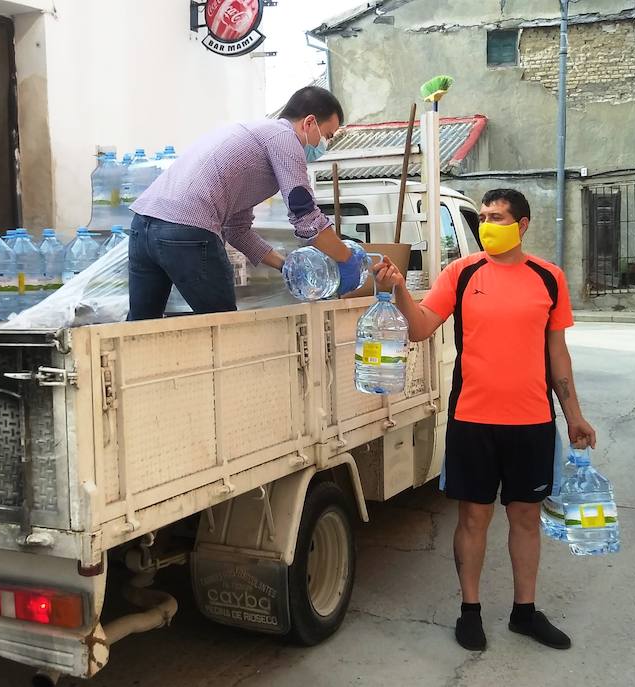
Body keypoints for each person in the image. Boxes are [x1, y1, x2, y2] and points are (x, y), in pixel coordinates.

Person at [389, 189, 598, 652]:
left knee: (525, 518)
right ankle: (470, 612)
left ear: (521, 225)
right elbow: (422, 326)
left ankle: (525, 612)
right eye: (482, 216)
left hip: (532, 422)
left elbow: (557, 353)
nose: (486, 225)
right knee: (473, 518)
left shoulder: (549, 278)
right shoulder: (462, 273)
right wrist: (400, 291)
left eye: (496, 217)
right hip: (473, 419)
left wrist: (575, 417)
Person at [126, 86, 370, 320]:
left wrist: (285, 266)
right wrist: (346, 258)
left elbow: (237, 230)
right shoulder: (284, 137)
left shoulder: (253, 135)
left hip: (141, 227)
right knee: (223, 327)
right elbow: (305, 215)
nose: (324, 145)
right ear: (309, 123)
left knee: (141, 327)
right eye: (327, 136)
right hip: (187, 230)